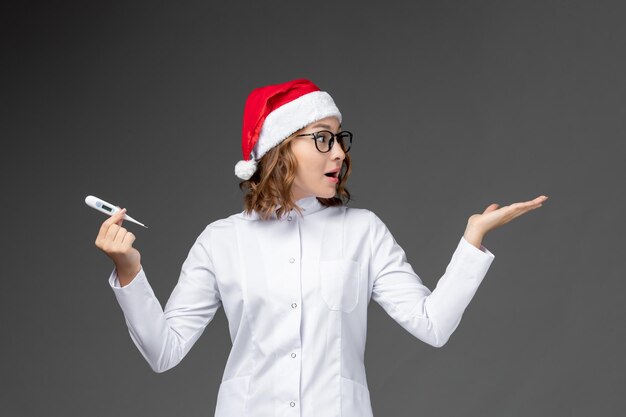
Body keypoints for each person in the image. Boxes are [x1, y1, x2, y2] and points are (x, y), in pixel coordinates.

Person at [95, 78, 548, 417]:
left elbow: (433, 325)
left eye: (340, 139)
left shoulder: (363, 232)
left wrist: (472, 240)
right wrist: (129, 269)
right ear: (279, 149)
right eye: (323, 138)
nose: (339, 154)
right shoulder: (221, 240)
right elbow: (163, 351)